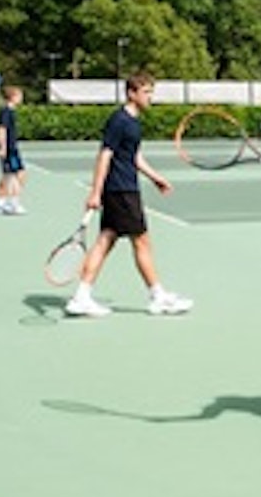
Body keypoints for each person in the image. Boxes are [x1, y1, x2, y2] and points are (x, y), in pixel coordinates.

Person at [65, 72, 193, 318]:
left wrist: (155, 178)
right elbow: (105, 155)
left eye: (151, 92)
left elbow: (133, 157)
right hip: (121, 191)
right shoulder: (119, 120)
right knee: (141, 241)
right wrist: (95, 192)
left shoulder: (133, 123)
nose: (150, 97)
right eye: (145, 92)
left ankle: (81, 296)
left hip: (123, 188)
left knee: (105, 241)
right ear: (131, 93)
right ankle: (158, 297)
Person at [0, 85, 28, 214]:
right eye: (19, 95)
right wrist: (3, 147)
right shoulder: (6, 111)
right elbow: (2, 129)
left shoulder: (11, 111)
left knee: (15, 175)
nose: (21, 98)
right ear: (13, 97)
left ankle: (5, 203)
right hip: (9, 149)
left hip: (12, 147)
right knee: (12, 176)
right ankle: (12, 203)